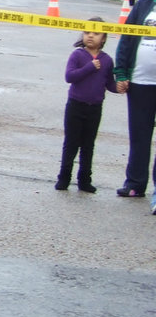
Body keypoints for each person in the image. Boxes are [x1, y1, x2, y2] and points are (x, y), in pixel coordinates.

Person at [56, 18, 118, 192]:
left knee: (88, 145)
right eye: (87, 32)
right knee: (71, 143)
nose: (90, 36)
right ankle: (64, 177)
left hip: (95, 108)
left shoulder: (106, 60)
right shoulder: (77, 55)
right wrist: (90, 67)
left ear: (104, 38)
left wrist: (119, 87)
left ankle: (84, 180)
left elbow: (109, 84)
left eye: (96, 33)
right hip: (76, 105)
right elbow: (70, 77)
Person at [113, 0, 156, 209]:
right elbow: (127, 39)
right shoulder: (144, 5)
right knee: (139, 135)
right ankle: (135, 184)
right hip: (140, 82)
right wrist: (121, 72)